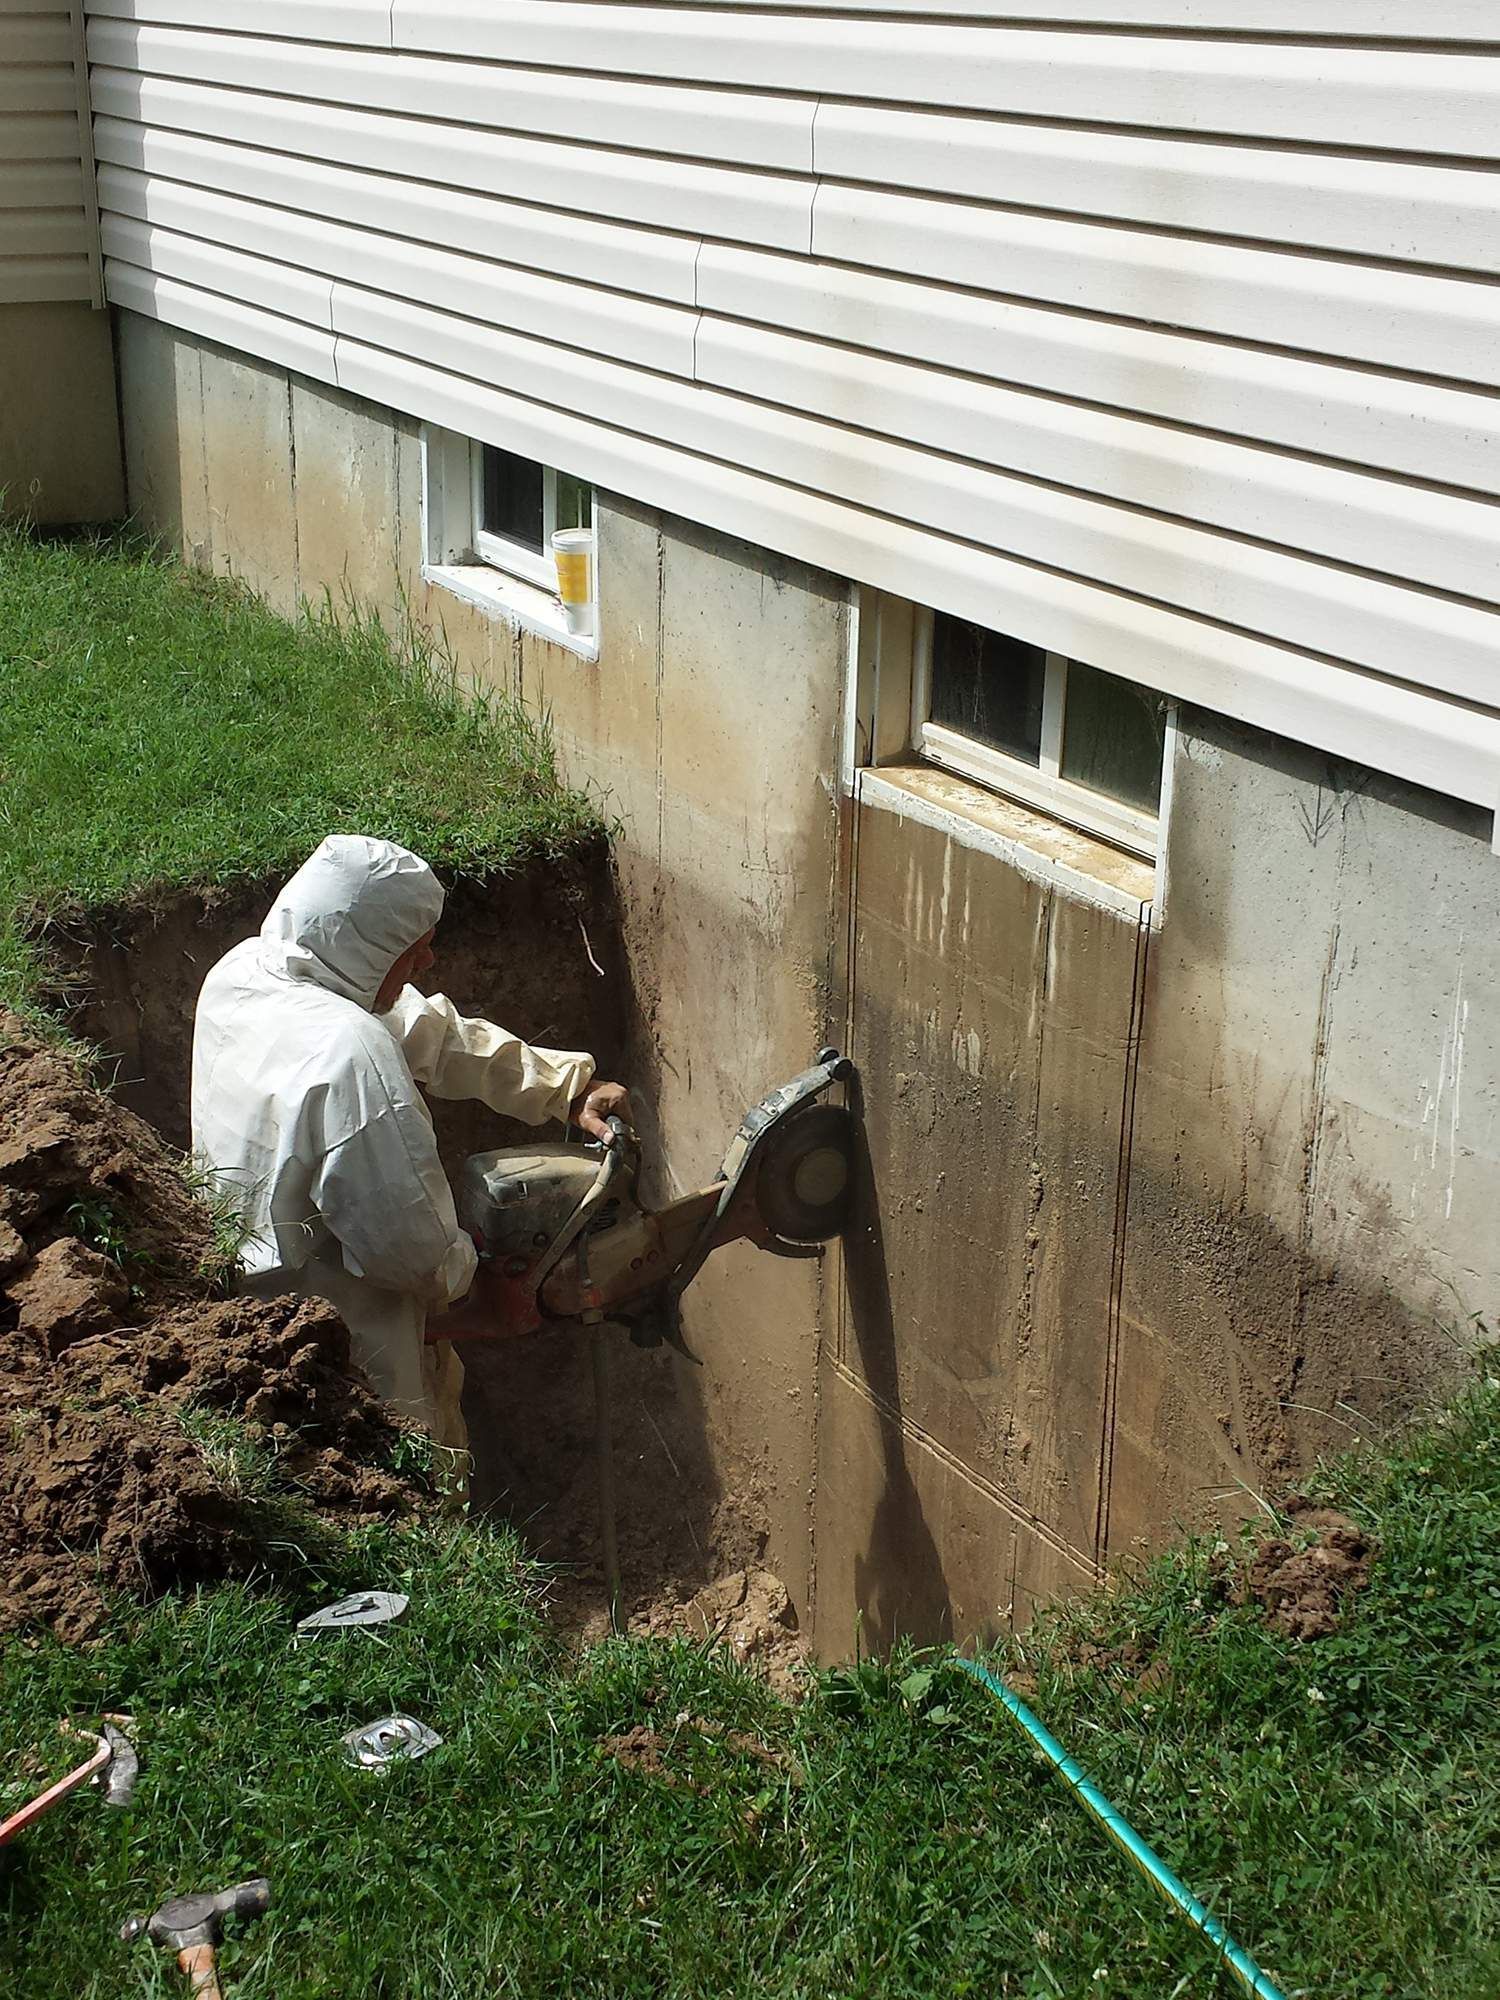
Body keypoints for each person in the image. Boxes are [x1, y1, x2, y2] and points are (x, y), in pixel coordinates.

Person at [190, 833, 630, 1453]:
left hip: (250, 1304)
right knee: (410, 1479)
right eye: (413, 950)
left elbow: (427, 1030)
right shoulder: (349, 1054)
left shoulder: (246, 973)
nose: (426, 964)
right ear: (367, 950)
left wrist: (564, 1088)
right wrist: (471, 1273)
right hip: (351, 1340)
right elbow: (411, 1248)